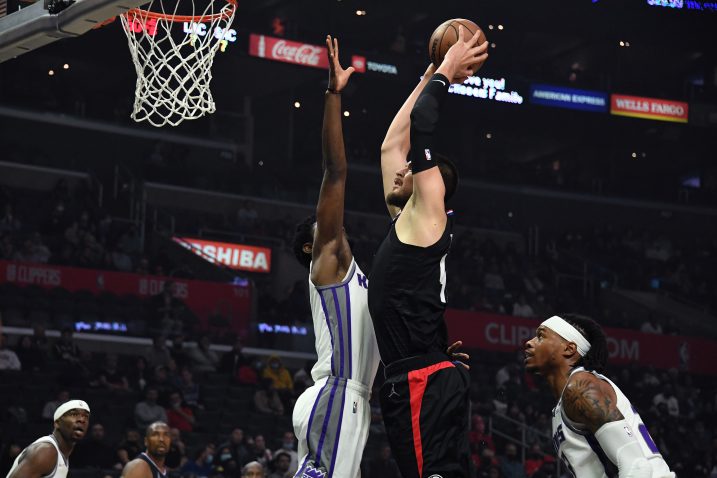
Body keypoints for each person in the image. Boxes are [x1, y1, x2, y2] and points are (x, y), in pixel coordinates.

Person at [367, 26, 487, 478]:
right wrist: (427, 74)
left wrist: (446, 77)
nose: (401, 171)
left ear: (431, 184)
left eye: (412, 171)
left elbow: (421, 123)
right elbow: (389, 146)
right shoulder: (408, 221)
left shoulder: (429, 213)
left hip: (421, 380)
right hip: (419, 375)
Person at [289, 36, 380, 478]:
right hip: (336, 393)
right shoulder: (326, 261)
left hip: (352, 399)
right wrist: (332, 95)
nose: (330, 222)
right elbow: (336, 171)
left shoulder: (360, 275)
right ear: (310, 246)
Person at [524, 314, 675, 477]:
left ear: (569, 349)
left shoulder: (582, 387)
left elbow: (637, 467)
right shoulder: (565, 402)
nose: (529, 342)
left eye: (540, 336)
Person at [6, 399, 90, 478]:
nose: (82, 420)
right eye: (74, 414)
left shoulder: (61, 454)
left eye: (85, 416)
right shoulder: (46, 451)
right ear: (57, 423)